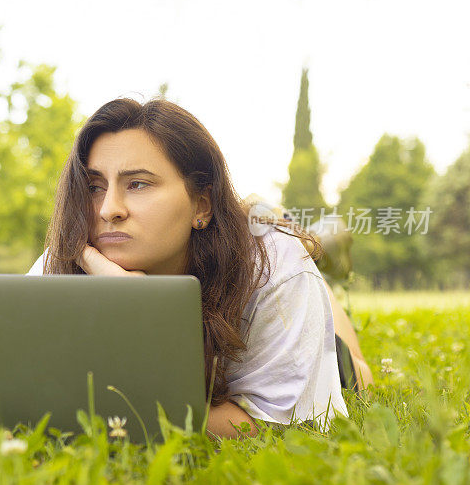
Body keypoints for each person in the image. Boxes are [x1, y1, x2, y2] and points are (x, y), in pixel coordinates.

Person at [26, 97, 353, 438]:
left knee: (352, 364)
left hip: (281, 317)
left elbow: (266, 429)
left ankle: (320, 260)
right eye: (95, 187)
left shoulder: (276, 269)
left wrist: (138, 317)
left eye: (138, 183)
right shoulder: (66, 259)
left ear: (202, 204)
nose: (109, 210)